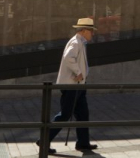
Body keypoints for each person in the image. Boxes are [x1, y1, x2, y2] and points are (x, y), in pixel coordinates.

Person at [37, 17, 99, 155]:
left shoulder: (80, 42)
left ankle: (83, 143)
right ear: (84, 31)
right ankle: (43, 140)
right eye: (91, 31)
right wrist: (78, 72)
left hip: (78, 85)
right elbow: (68, 57)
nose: (92, 34)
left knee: (83, 114)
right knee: (65, 114)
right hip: (72, 85)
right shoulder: (76, 42)